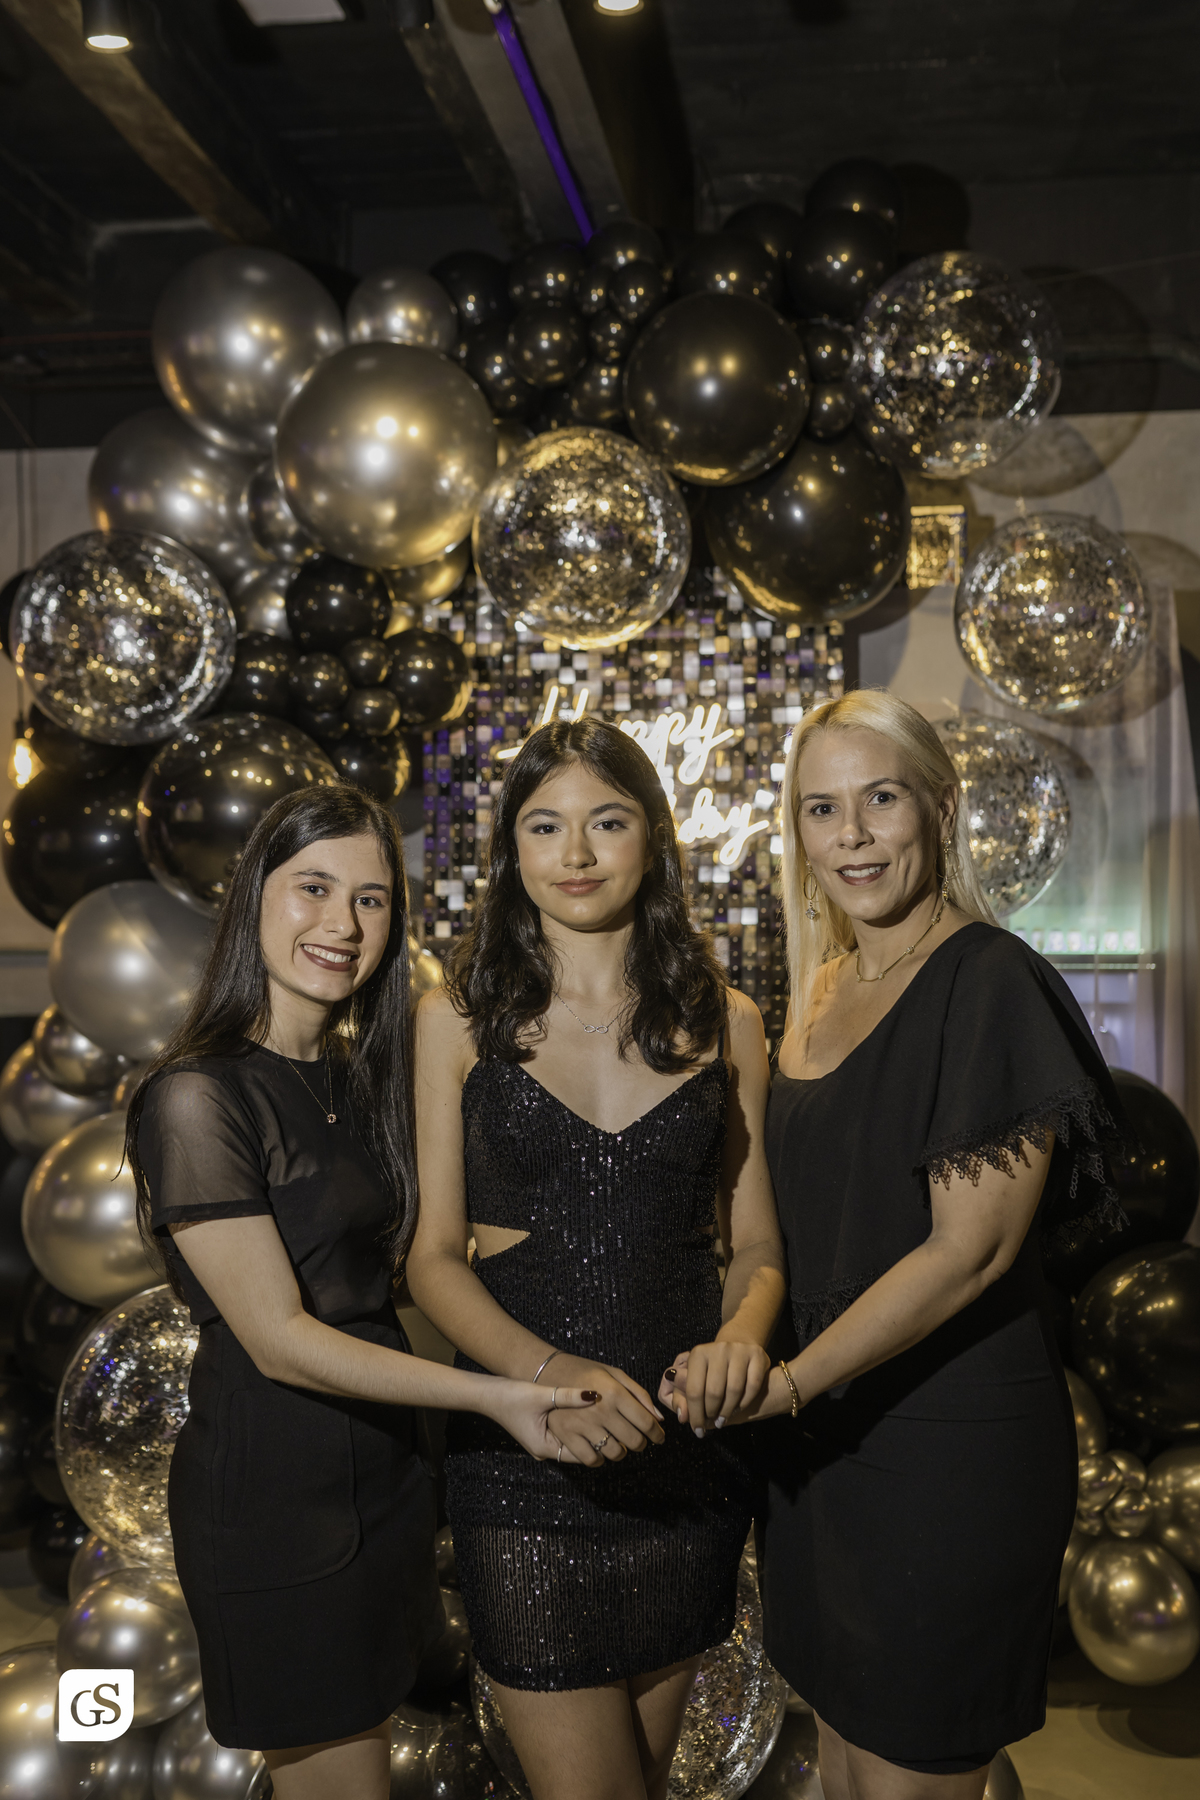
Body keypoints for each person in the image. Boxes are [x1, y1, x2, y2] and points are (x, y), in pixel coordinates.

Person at [663, 690, 1123, 1800]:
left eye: (881, 799)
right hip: (824, 1456)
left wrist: (791, 1384)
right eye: (824, 808)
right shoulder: (818, 993)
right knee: (852, 1767)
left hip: (947, 1445)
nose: (854, 834)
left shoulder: (987, 978)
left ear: (941, 807)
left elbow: (969, 1251)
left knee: (917, 1769)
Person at [126, 786, 602, 1800]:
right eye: (313, 889)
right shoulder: (196, 1095)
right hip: (276, 1500)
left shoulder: (355, 1078)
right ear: (256, 893)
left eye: (373, 900)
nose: (342, 925)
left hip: (387, 1483)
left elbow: (428, 1254)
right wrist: (502, 1398)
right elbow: (281, 1338)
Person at [406, 717, 786, 1800]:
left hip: (686, 1462)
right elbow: (435, 1258)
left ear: (653, 840)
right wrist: (542, 1378)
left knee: (648, 1784)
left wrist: (741, 1342)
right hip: (528, 1465)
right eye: (545, 826)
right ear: (512, 852)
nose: (575, 854)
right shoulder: (459, 1019)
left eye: (606, 822)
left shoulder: (732, 1022)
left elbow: (755, 1240)